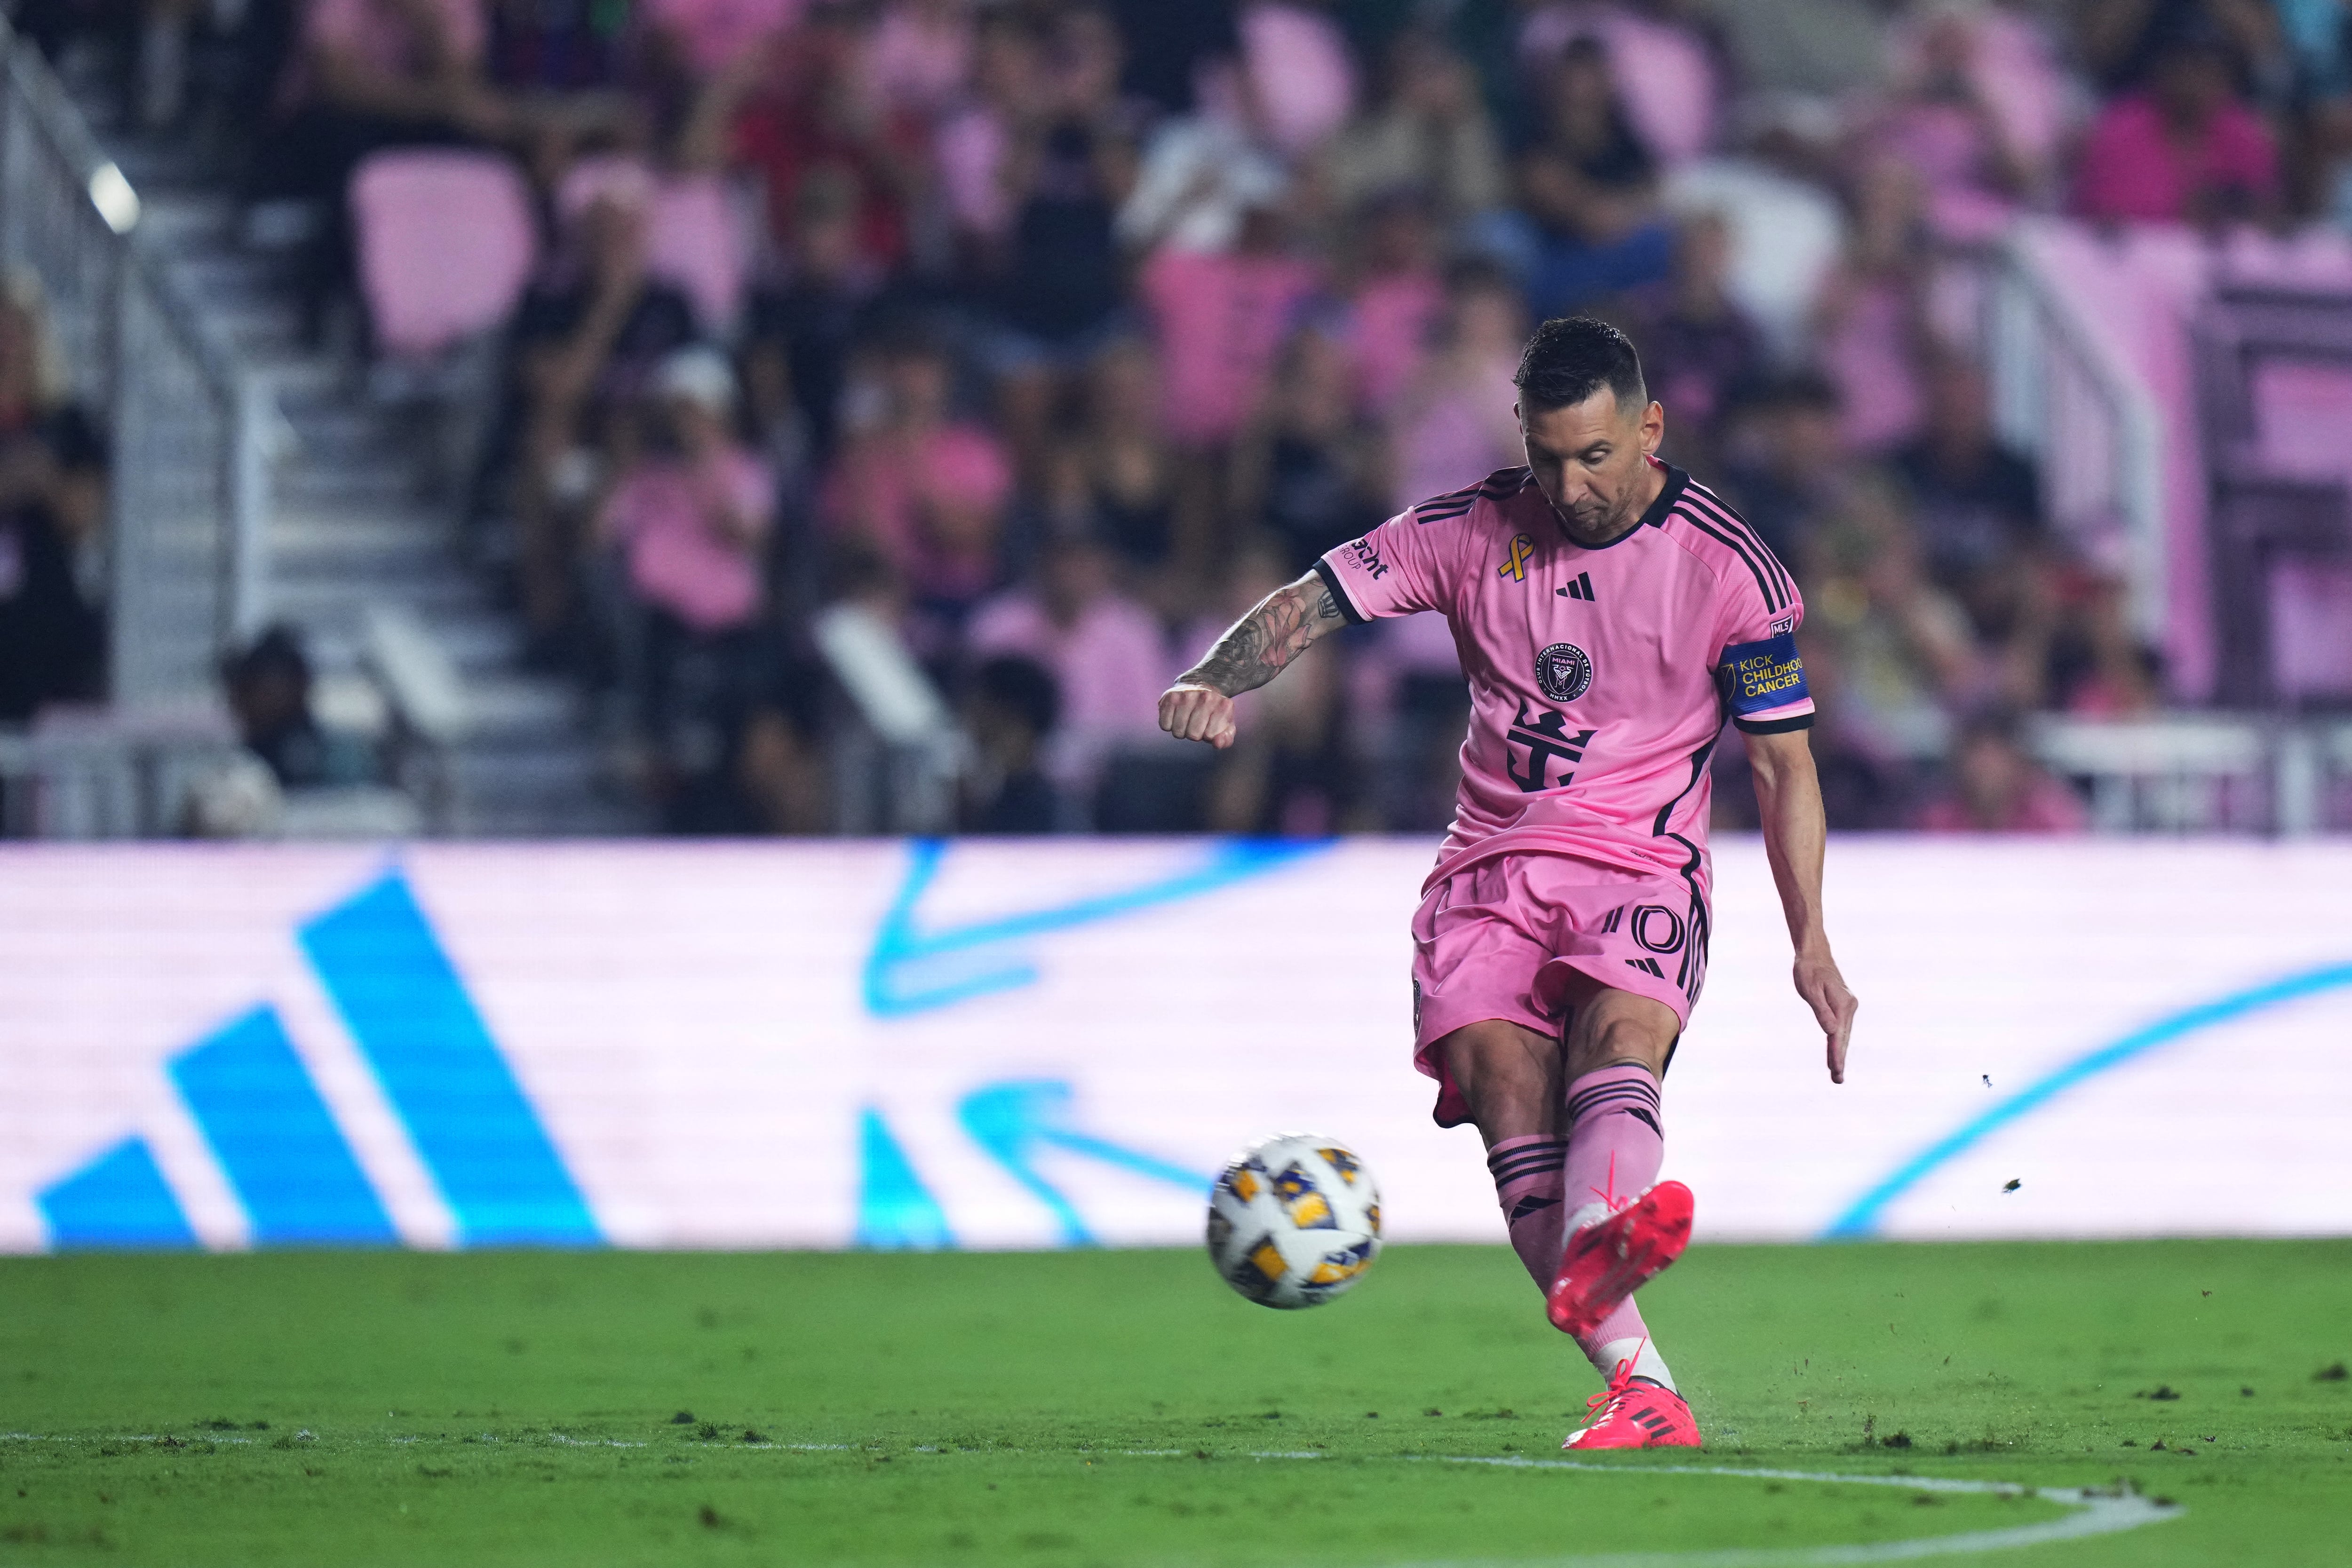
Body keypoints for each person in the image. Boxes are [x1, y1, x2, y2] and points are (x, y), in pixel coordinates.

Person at [1158, 317, 1859, 1451]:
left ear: (1649, 428)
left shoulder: (1733, 571)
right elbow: (1309, 600)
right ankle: (1643, 1383)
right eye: (1546, 457)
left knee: (1619, 1042)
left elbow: (1784, 763)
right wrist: (1211, 676)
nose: (1569, 485)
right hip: (1487, 868)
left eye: (1593, 456)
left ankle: (1601, 1231)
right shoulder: (1469, 528)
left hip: (1640, 860)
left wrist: (1811, 941)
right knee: (1502, 1091)